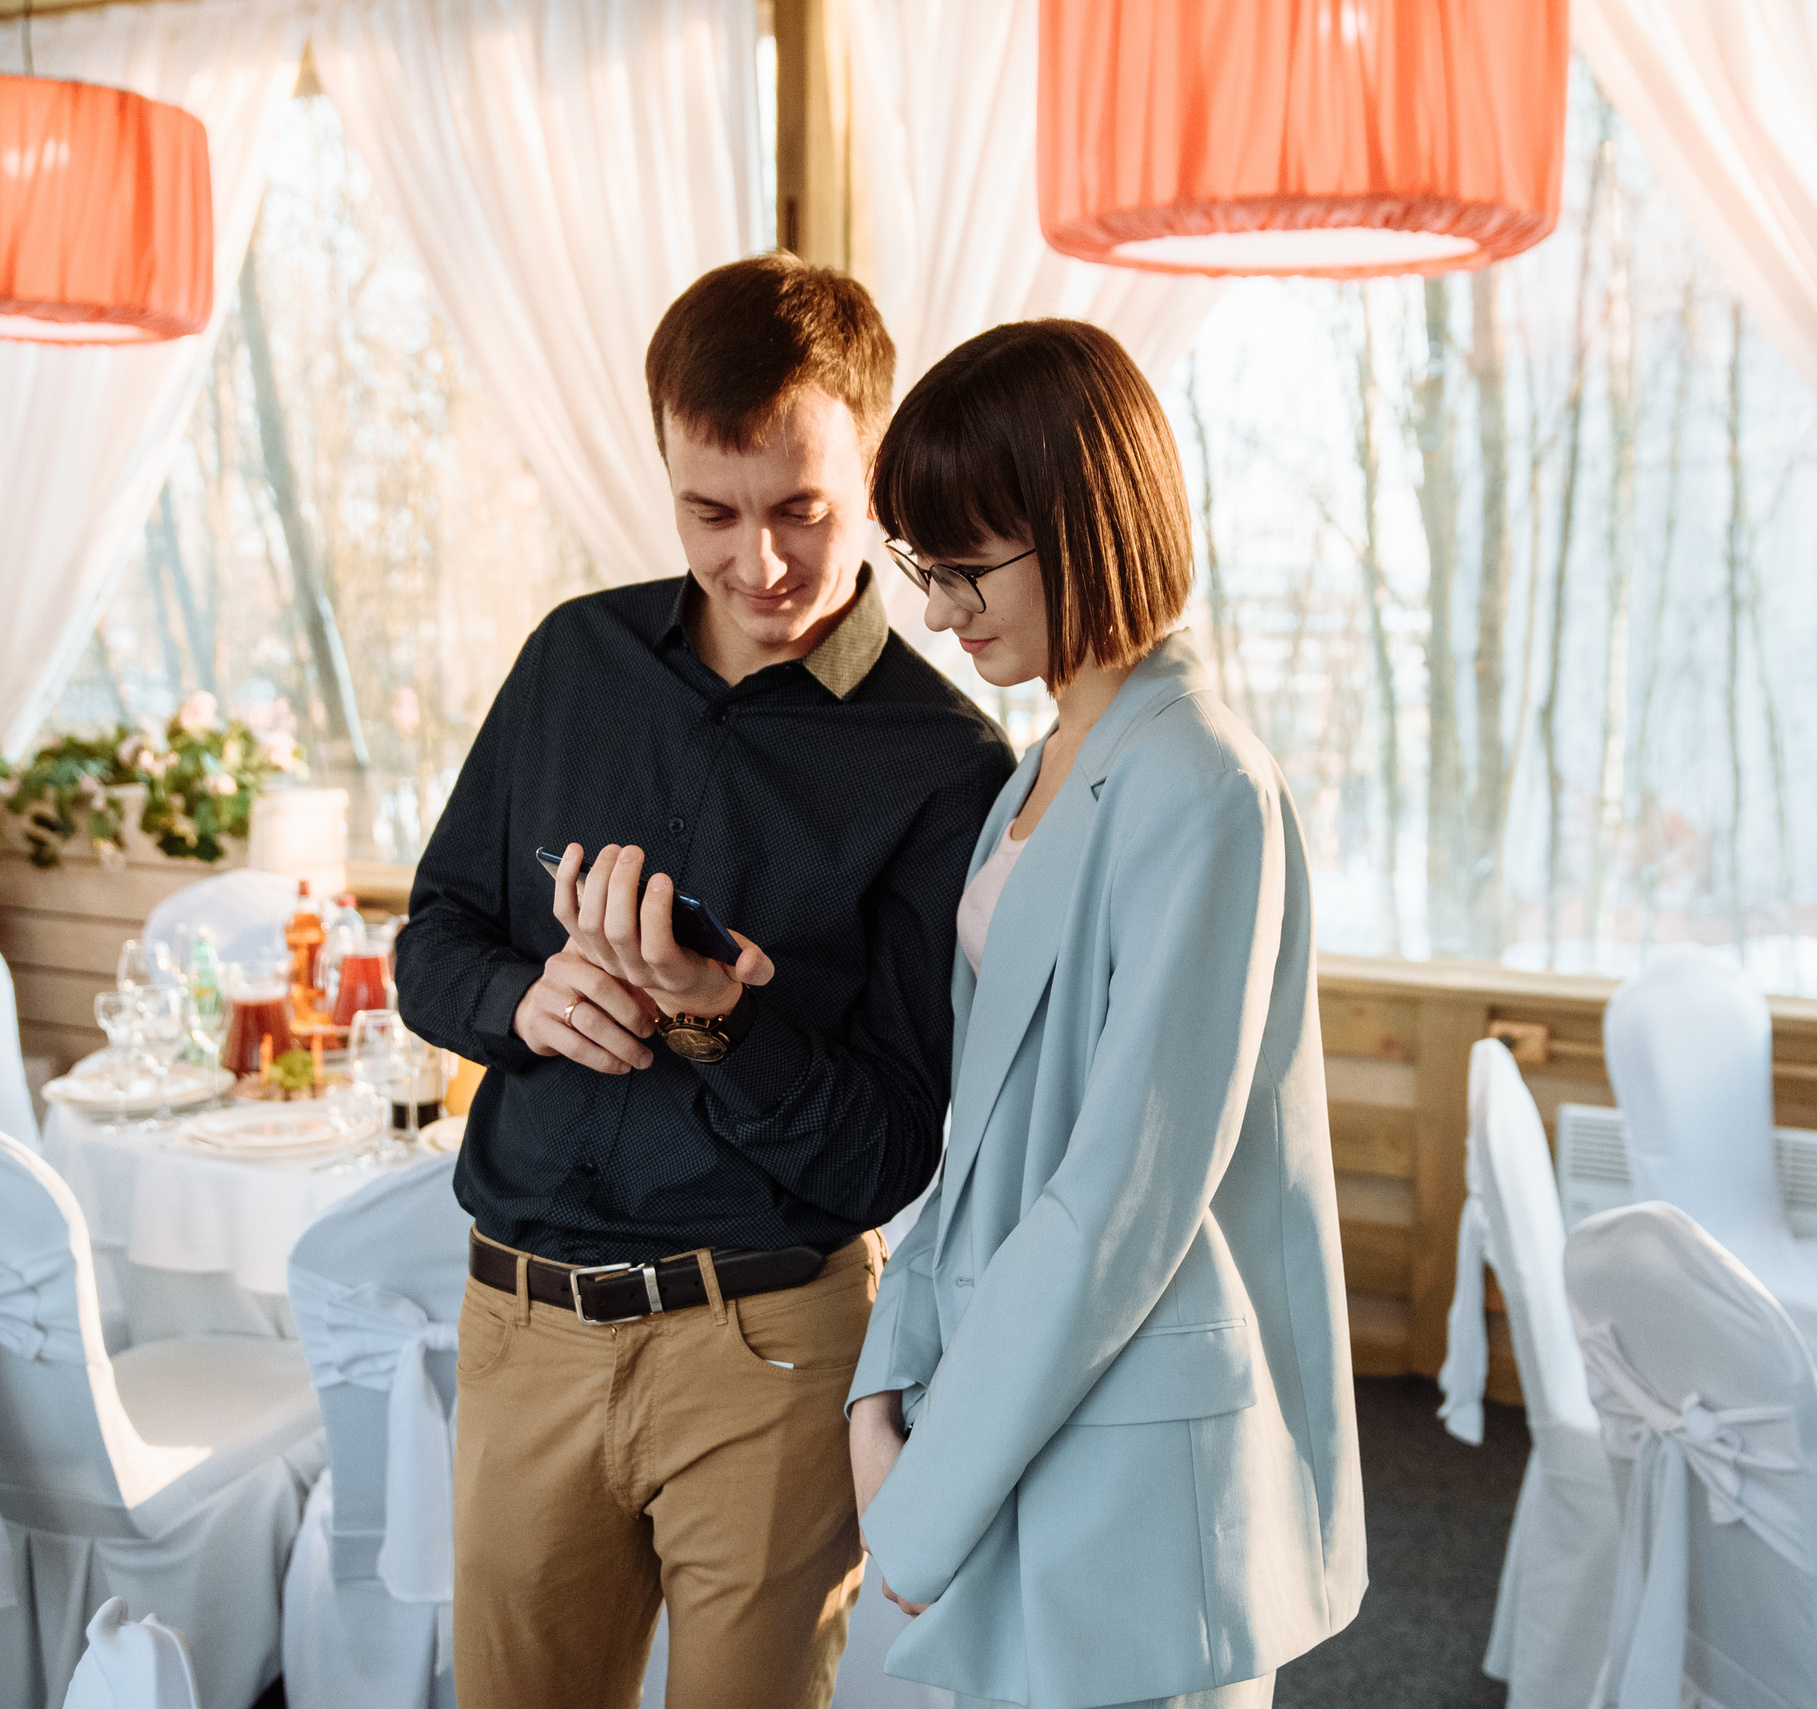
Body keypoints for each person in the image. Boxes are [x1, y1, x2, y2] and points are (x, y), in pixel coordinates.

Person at [396, 254, 1017, 1709]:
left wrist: (716, 1019)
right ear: (665, 466)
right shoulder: (571, 659)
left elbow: (890, 1144)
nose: (761, 563)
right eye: (711, 513)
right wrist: (520, 1004)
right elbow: (430, 942)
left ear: (868, 461)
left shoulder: (947, 764)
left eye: (802, 507)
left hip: (771, 1350)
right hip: (521, 1327)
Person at [844, 320, 1366, 1709]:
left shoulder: (1202, 783)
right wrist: (881, 1377)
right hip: (1008, 1401)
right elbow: (984, 1139)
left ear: (1083, 522)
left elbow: (1118, 1203)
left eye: (967, 566)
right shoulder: (1034, 772)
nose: (942, 612)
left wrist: (920, 1495)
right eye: (922, 567)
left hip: (1129, 1451)